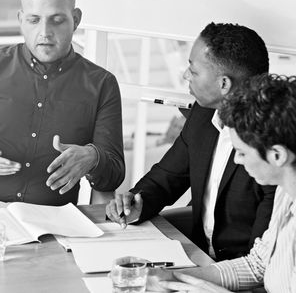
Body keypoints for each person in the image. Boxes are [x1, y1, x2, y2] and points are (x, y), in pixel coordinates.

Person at [0, 0, 124, 211]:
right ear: (21, 20)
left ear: (75, 19)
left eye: (57, 20)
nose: (45, 32)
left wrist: (93, 157)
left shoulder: (102, 84)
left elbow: (114, 172)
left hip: (52, 220)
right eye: (34, 20)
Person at [106, 22, 276, 261]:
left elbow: (262, 261)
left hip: (239, 275)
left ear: (224, 84)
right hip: (195, 256)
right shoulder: (204, 113)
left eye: (193, 71)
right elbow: (166, 178)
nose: (186, 75)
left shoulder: (273, 146)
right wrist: (134, 203)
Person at [149, 74, 296, 293]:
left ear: (277, 156)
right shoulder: (286, 194)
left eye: (241, 152)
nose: (236, 160)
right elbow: (257, 265)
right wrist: (172, 278)